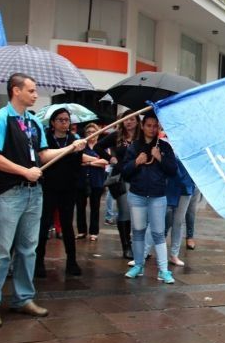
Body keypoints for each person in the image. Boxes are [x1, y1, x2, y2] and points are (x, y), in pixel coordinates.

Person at [0, 73, 86, 328]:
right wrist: (24, 171)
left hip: (34, 193)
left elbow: (43, 154)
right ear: (16, 91)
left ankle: (23, 298)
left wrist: (70, 148)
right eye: (32, 90)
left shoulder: (34, 123)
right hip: (9, 193)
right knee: (1, 251)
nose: (36, 95)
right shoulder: (0, 118)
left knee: (28, 249)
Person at [36, 108, 98, 278]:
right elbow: (43, 157)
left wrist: (90, 159)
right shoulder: (46, 139)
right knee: (44, 224)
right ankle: (38, 261)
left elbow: (77, 164)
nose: (64, 123)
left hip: (68, 189)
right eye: (61, 120)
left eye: (67, 120)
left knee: (67, 225)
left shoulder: (75, 140)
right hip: (48, 187)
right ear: (53, 122)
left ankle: (72, 261)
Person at [122, 111, 177, 283]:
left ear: (159, 127)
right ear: (143, 126)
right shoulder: (134, 146)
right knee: (137, 231)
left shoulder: (164, 147)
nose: (152, 129)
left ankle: (163, 270)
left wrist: (160, 158)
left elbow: (173, 171)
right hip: (137, 195)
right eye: (148, 125)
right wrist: (135, 162)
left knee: (158, 233)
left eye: (155, 126)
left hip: (157, 196)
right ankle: (138, 265)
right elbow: (125, 173)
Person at [96, 109, 140, 259]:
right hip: (122, 178)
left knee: (140, 214)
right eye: (126, 119)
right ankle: (126, 246)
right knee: (125, 211)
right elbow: (97, 146)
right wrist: (110, 159)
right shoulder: (116, 136)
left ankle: (139, 246)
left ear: (137, 121)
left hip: (139, 178)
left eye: (132, 119)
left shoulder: (142, 137)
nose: (128, 122)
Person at [75, 123, 109, 241]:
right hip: (82, 179)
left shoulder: (102, 146)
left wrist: (88, 163)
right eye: (88, 132)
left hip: (97, 180)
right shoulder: (81, 146)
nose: (91, 134)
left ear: (98, 133)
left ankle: (94, 232)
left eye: (93, 132)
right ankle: (81, 230)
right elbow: (79, 159)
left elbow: (105, 161)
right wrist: (95, 160)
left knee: (95, 206)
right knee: (80, 206)